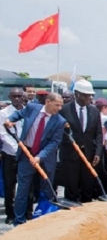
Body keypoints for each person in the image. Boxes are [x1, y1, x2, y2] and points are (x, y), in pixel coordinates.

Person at [5, 93, 66, 226]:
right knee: (22, 190)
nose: (60, 108)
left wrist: (40, 157)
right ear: (48, 102)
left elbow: (54, 143)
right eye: (57, 105)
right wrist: (10, 119)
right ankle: (19, 220)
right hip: (27, 154)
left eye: (61, 105)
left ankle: (44, 220)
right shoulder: (32, 108)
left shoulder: (60, 121)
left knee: (47, 189)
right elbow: (19, 114)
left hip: (45, 157)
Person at [58, 80, 103, 203]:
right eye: (85, 95)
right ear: (76, 94)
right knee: (71, 187)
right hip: (70, 155)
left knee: (87, 187)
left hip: (89, 154)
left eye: (90, 95)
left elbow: (99, 134)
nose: (89, 98)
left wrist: (98, 153)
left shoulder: (94, 111)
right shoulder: (64, 110)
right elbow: (59, 132)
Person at [0, 88, 26, 224]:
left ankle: (25, 212)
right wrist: (17, 149)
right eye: (14, 96)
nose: (17, 98)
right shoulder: (3, 113)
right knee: (10, 185)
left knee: (26, 184)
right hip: (10, 154)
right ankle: (10, 214)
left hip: (26, 154)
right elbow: (2, 134)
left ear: (23, 97)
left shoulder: (28, 111)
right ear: (9, 97)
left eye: (19, 96)